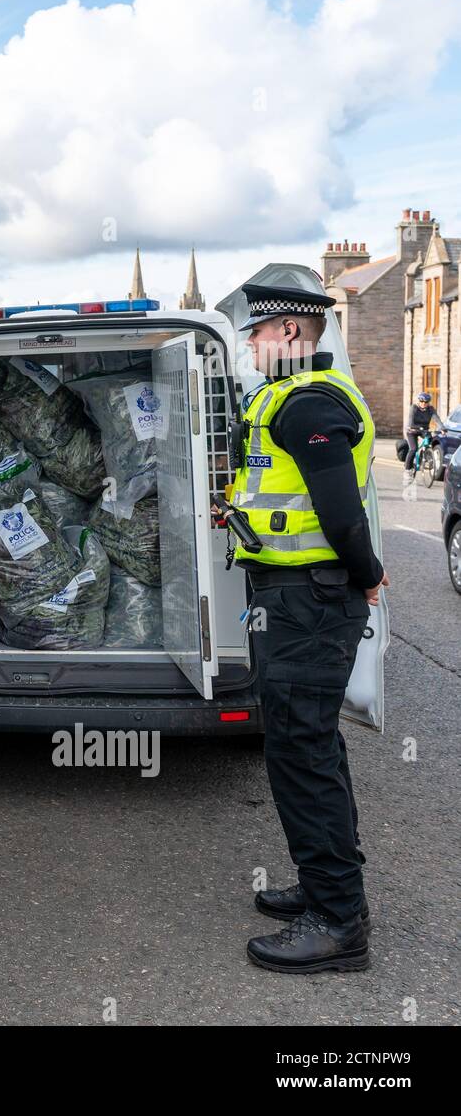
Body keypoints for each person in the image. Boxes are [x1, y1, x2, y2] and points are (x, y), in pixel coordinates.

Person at [229, 284, 388, 974]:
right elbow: (284, 495)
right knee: (308, 746)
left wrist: (371, 571)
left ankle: (339, 922)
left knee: (303, 755)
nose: (248, 347)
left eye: (256, 334)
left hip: (312, 602)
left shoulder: (310, 402)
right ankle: (326, 889)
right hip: (292, 599)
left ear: (290, 329)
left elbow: (340, 511)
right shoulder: (288, 400)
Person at [403, 391, 443, 473]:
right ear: (419, 401)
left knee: (431, 441)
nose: (423, 403)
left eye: (426, 402)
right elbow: (411, 420)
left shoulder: (430, 409)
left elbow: (436, 419)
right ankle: (407, 468)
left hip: (424, 430)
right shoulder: (414, 408)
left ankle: (427, 456)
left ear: (428, 402)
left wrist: (442, 428)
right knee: (414, 449)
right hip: (412, 430)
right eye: (421, 401)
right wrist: (411, 427)